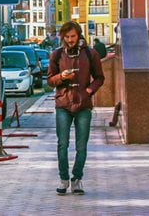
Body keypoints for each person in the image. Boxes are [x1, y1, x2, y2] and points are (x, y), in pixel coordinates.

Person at [47, 21, 105, 196]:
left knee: (82, 146)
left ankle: (77, 179)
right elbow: (49, 80)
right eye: (67, 37)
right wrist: (61, 77)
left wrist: (89, 90)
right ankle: (63, 179)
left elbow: (100, 78)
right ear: (63, 37)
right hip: (63, 104)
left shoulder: (90, 53)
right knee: (62, 144)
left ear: (79, 35)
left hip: (83, 104)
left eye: (73, 36)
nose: (70, 40)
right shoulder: (56, 55)